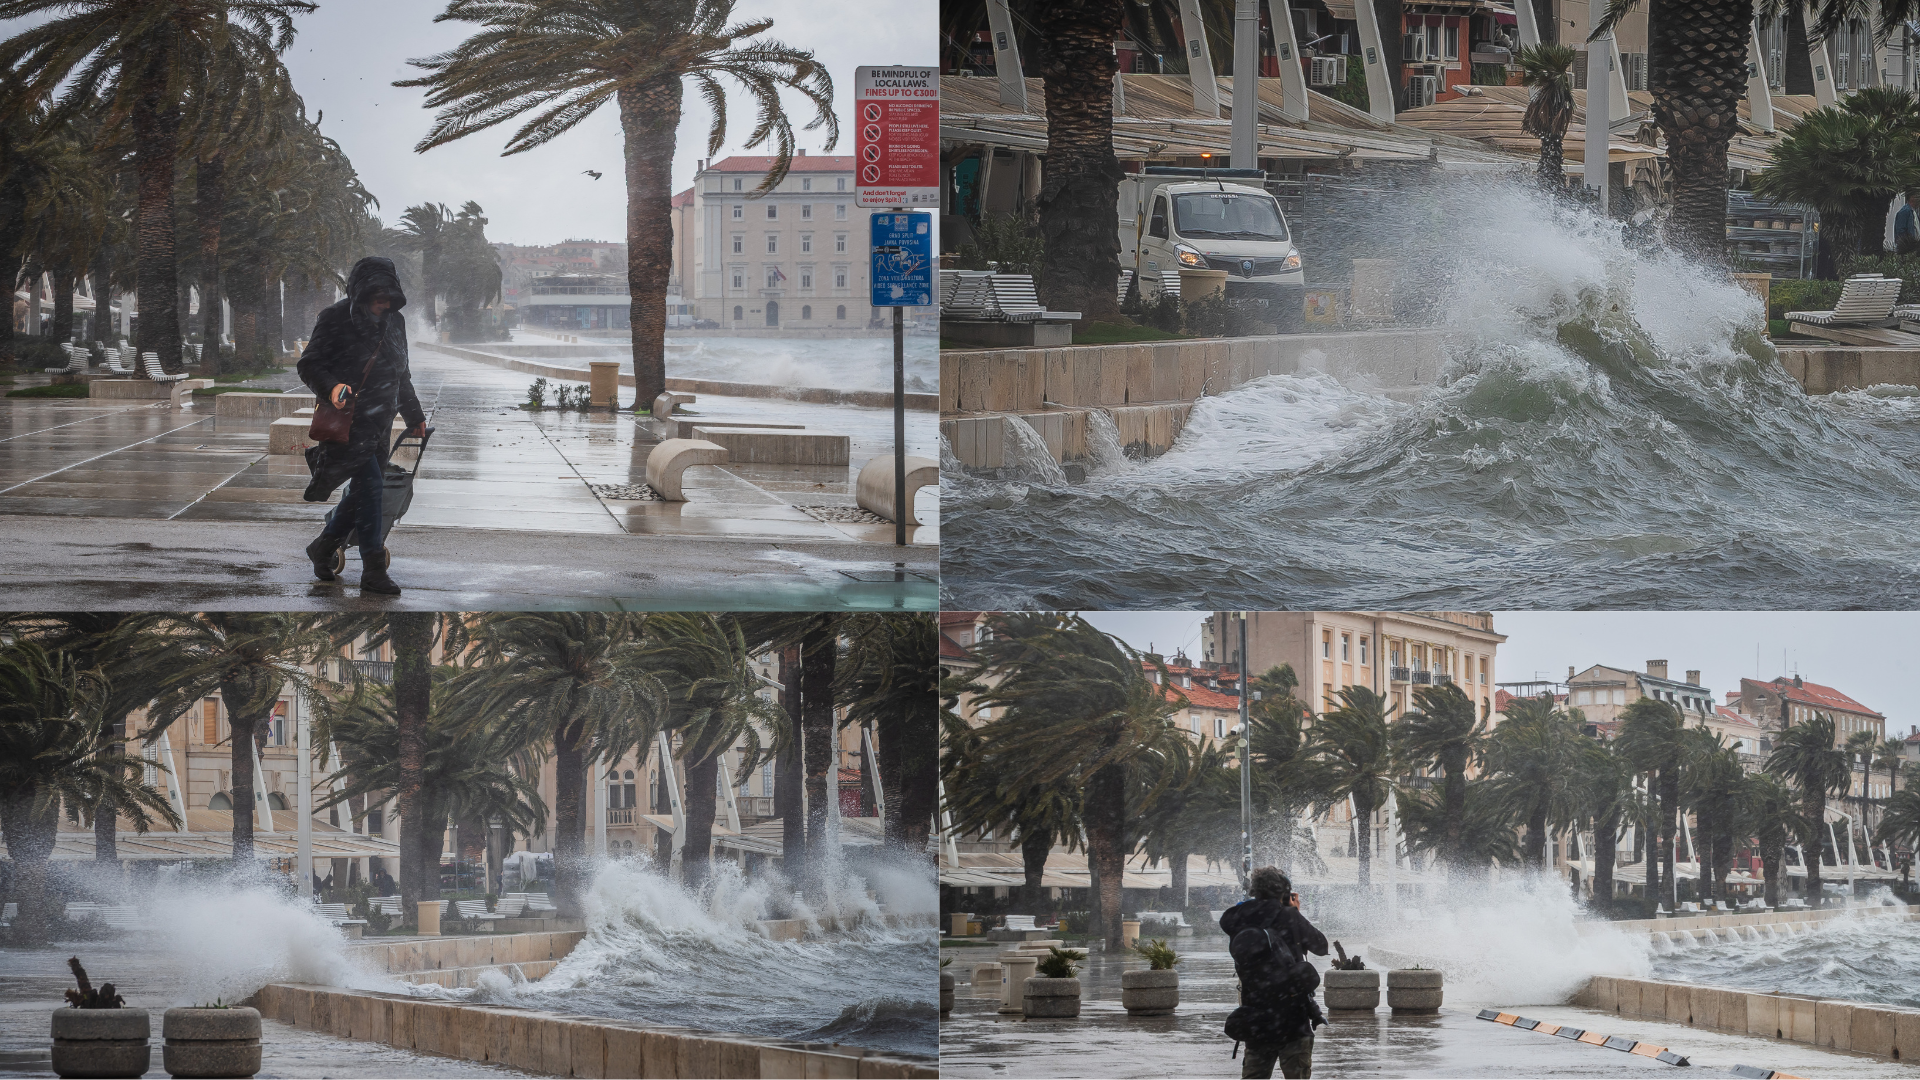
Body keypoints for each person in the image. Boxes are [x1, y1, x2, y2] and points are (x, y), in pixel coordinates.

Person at [297, 256, 427, 595]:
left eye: (388, 296)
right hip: (348, 422)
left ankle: (323, 547)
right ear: (361, 291)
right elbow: (309, 364)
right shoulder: (335, 318)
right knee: (370, 486)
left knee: (360, 493)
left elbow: (402, 375)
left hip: (381, 424)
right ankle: (373, 569)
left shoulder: (395, 323)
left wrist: (414, 416)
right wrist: (332, 387)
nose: (383, 303)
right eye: (376, 295)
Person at [1221, 867, 1329, 1080]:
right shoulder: (1287, 916)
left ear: (1255, 891)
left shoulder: (1239, 918)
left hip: (1255, 1014)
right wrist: (1296, 913)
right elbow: (1321, 946)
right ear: (1285, 891)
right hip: (1292, 1014)